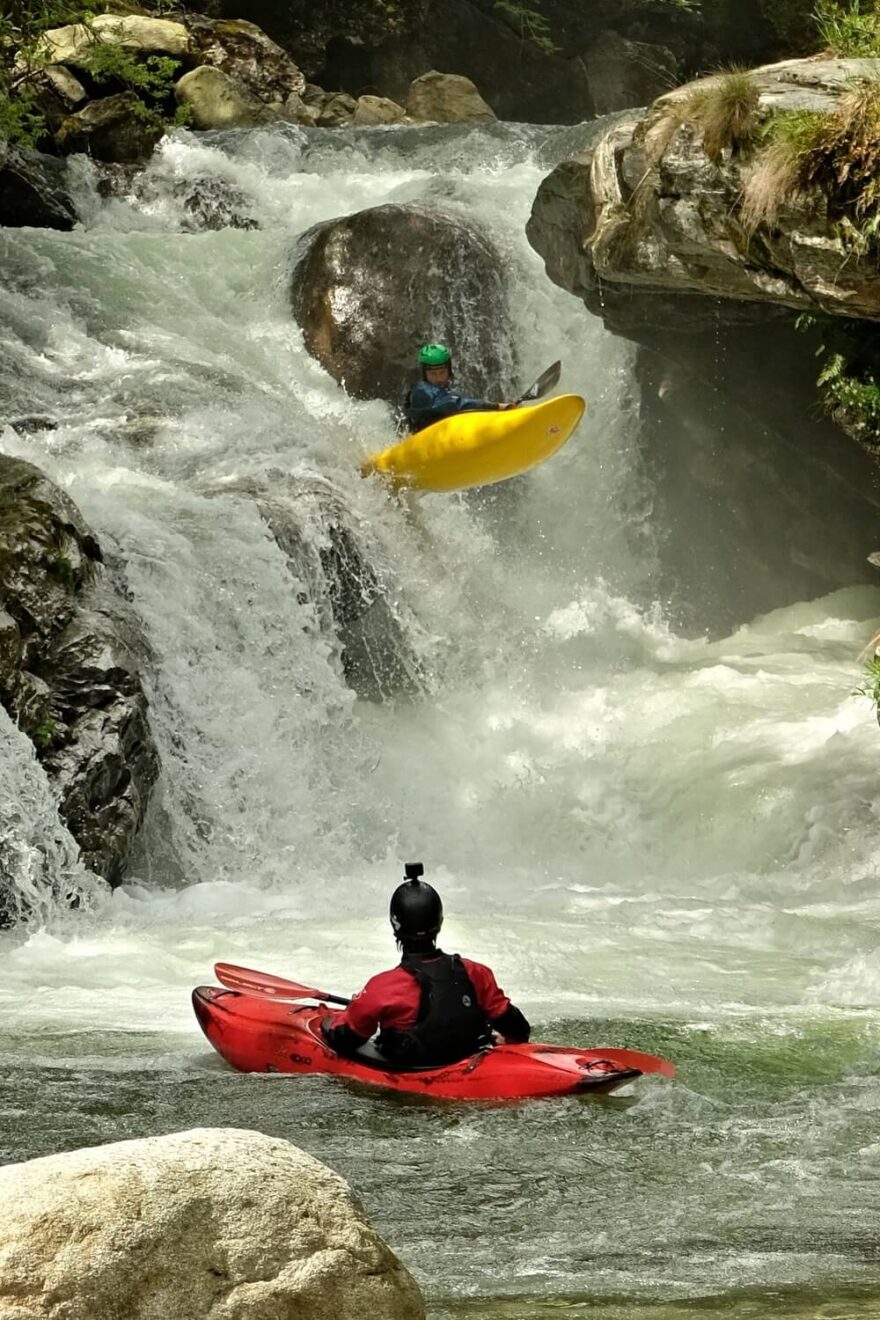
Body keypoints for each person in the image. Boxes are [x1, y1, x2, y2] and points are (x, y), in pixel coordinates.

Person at [322, 863, 531, 1068]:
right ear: (439, 922)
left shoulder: (383, 987)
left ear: (395, 926)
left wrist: (333, 1020)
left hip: (415, 1069)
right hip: (468, 1060)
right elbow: (518, 1029)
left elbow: (346, 1039)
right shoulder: (476, 973)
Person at [404, 343, 515, 434]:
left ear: (449, 370)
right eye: (433, 374)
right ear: (424, 374)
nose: (438, 378)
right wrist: (495, 406)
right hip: (423, 439)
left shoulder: (450, 392)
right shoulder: (421, 391)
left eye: (442, 372)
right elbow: (450, 404)